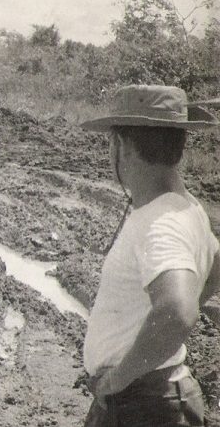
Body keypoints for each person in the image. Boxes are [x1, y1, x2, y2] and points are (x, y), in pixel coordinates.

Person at [80, 84, 220, 427]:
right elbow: (215, 264)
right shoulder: (185, 207)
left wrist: (118, 379)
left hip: (143, 405)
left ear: (123, 146)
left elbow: (176, 311)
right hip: (152, 398)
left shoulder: (159, 223)